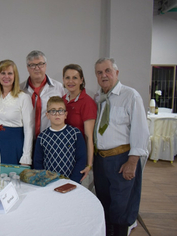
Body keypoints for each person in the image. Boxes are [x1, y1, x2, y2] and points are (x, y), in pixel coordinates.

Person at [93, 58, 149, 236]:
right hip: (100, 160)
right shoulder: (99, 98)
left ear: (117, 73)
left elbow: (140, 131)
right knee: (104, 202)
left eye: (107, 71)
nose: (104, 75)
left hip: (121, 160)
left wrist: (132, 162)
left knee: (121, 206)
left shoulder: (130, 96)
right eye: (99, 72)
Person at [34, 96, 86, 183]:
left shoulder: (75, 134)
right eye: (53, 111)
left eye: (60, 110)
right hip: (49, 183)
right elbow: (38, 162)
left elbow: (81, 158)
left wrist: (73, 181)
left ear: (65, 114)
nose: (57, 114)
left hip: (72, 182)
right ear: (47, 115)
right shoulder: (42, 137)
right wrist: (44, 180)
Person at [0, 59, 34, 165]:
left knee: (14, 180)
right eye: (3, 73)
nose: (6, 76)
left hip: (15, 145)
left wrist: (26, 156)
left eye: (10, 73)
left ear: (15, 76)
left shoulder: (24, 98)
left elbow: (29, 129)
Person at [62, 64, 97, 183]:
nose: (70, 81)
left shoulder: (87, 102)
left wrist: (89, 164)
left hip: (78, 156)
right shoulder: (62, 100)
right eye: (67, 78)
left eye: (75, 78)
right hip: (63, 153)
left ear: (81, 80)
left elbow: (89, 137)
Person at [20, 50, 65, 139]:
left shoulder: (58, 87)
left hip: (52, 139)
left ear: (45, 65)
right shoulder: (20, 90)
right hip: (25, 139)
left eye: (40, 64)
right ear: (27, 68)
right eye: (32, 65)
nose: (37, 68)